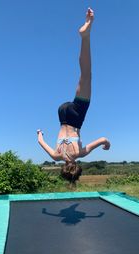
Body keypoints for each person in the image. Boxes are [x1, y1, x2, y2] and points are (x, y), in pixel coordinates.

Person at [37, 8, 111, 183]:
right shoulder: (56, 156)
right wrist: (39, 132)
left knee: (86, 74)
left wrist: (107, 144)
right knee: (85, 75)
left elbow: (102, 139)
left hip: (77, 116)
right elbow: (40, 141)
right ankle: (85, 35)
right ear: (63, 168)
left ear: (77, 167)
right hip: (62, 114)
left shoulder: (79, 153)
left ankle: (86, 36)